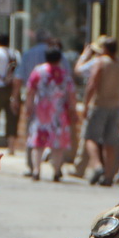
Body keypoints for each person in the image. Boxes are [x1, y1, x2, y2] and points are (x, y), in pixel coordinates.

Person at [22, 46, 76, 182]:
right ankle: (56, 171)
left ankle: (36, 170)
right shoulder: (65, 74)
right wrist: (72, 110)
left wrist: (28, 106)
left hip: (41, 112)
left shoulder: (38, 71)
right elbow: (71, 94)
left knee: (38, 143)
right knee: (58, 145)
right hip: (59, 112)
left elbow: (30, 90)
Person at [79, 35, 119, 186]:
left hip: (99, 105)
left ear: (105, 48)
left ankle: (97, 165)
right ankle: (108, 176)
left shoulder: (101, 63)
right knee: (110, 143)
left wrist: (86, 104)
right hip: (115, 107)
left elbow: (92, 84)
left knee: (90, 137)